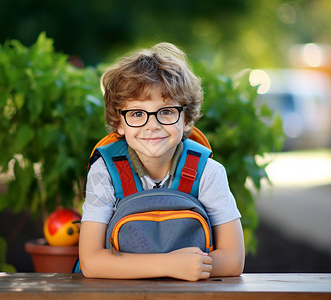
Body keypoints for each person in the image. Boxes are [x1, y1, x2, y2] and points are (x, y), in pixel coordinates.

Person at [79, 42, 244, 281]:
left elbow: (233, 259)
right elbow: (91, 262)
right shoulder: (105, 170)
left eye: (166, 111)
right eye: (137, 114)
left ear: (186, 119)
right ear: (119, 124)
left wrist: (179, 267)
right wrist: (169, 265)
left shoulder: (207, 171)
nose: (152, 125)